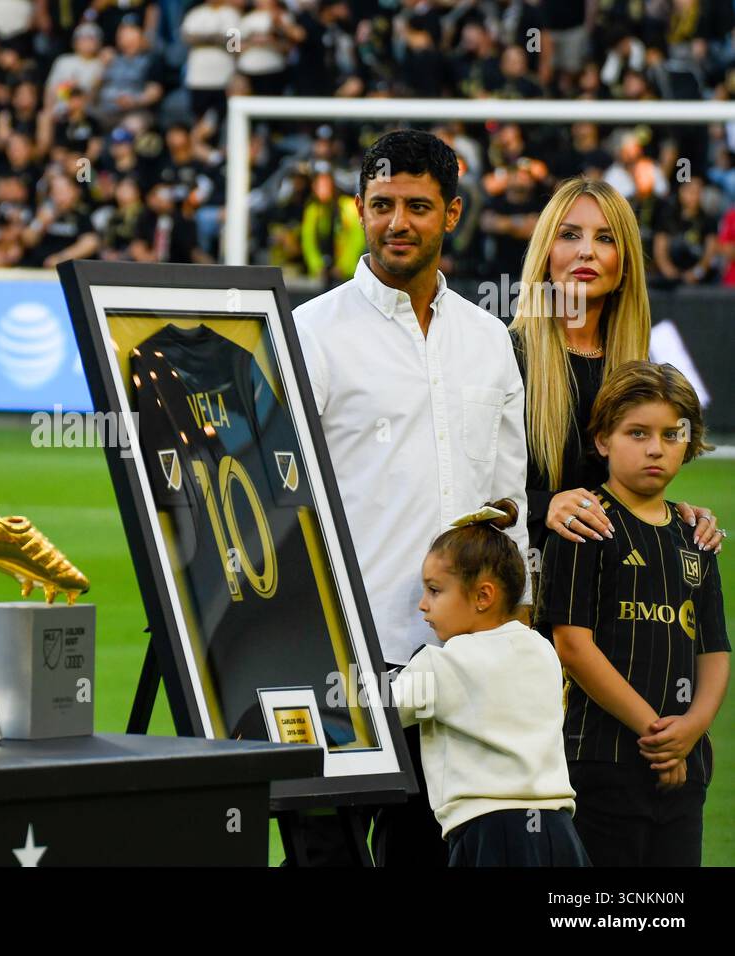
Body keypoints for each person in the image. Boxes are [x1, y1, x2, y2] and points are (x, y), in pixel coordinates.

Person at [293, 129, 530, 867]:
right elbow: (281, 500)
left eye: (419, 206)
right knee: (321, 859)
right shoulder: (311, 332)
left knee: (430, 858)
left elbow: (505, 501)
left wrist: (513, 637)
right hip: (342, 660)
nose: (399, 222)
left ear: (452, 213)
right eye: (383, 204)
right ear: (361, 209)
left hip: (459, 666)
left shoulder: (490, 338)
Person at [538, 361, 730, 866]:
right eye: (637, 432)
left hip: (687, 765)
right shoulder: (585, 524)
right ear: (602, 440)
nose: (654, 448)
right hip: (601, 762)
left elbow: (714, 650)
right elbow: (573, 646)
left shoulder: (696, 537)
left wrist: (692, 729)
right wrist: (657, 733)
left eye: (672, 435)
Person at [509, 178, 722, 581]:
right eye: (570, 235)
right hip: (524, 596)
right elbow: (463, 491)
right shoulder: (501, 357)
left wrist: (674, 518)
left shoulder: (640, 374)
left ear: (624, 265)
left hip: (611, 601)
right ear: (546, 255)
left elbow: (622, 498)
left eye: (605, 238)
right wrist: (542, 505)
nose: (586, 250)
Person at [393, 498, 587, 867]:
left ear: (483, 596)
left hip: (490, 836)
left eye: (434, 590)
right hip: (559, 834)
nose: (422, 604)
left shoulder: (443, 664)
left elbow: (374, 713)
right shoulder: (542, 650)